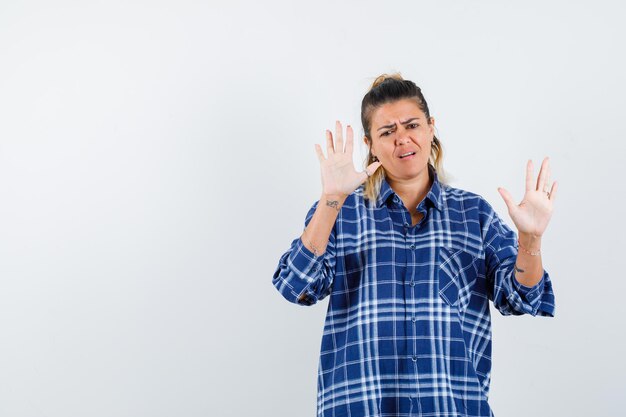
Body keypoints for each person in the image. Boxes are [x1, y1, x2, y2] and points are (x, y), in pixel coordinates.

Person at [272, 74, 557, 417]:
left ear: (431, 127)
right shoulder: (342, 213)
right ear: (370, 144)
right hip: (360, 407)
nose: (402, 139)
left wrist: (531, 240)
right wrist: (332, 198)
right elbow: (295, 285)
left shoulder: (474, 214)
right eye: (387, 132)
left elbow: (522, 297)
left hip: (452, 408)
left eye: (411, 125)